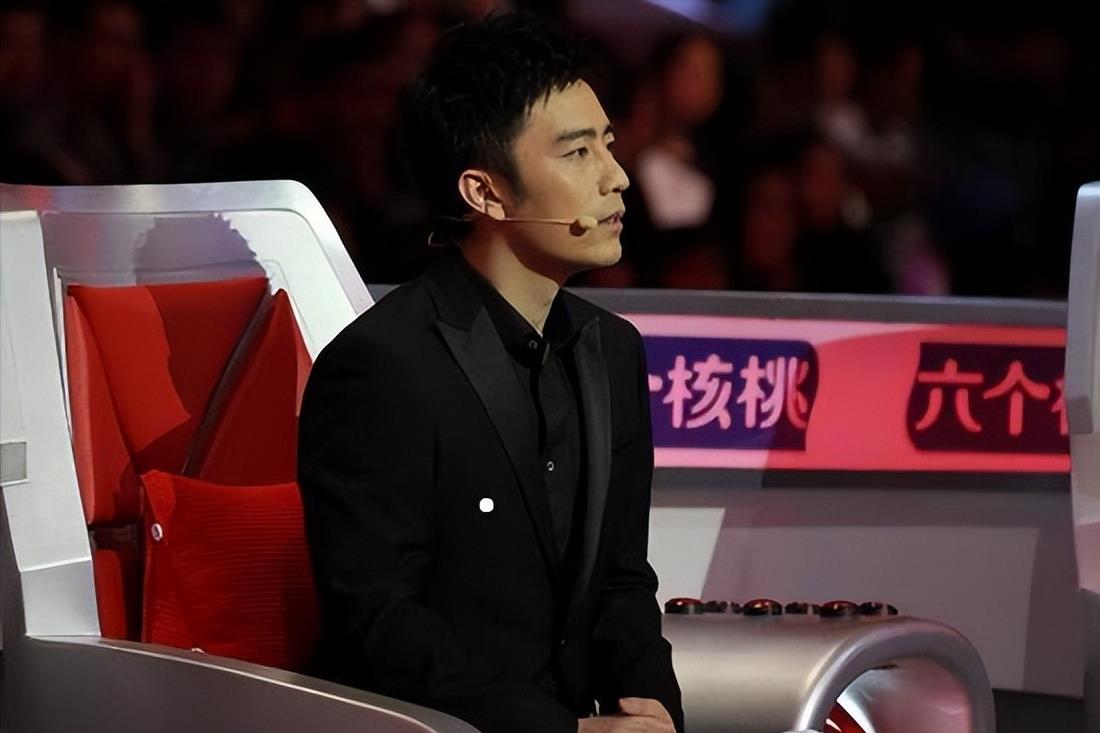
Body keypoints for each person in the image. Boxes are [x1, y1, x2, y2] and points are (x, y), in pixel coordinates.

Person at [297, 13, 683, 733]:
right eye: (577, 153)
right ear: (485, 192)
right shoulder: (383, 366)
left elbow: (623, 583)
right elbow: (379, 620)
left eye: (608, 145)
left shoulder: (613, 350)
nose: (617, 177)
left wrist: (653, 709)